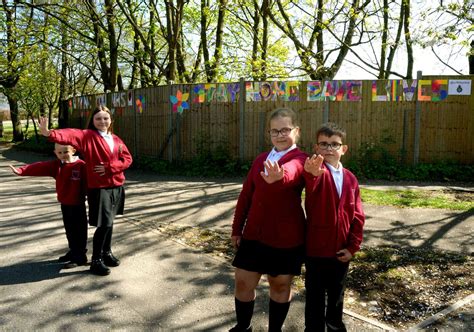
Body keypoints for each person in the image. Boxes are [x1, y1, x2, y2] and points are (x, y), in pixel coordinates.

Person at [230, 108, 307, 332]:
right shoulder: (261, 159)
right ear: (269, 134)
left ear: (296, 131)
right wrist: (237, 229)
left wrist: (280, 175)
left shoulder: (301, 159)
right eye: (275, 131)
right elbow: (245, 196)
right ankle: (243, 327)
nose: (280, 135)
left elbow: (294, 171)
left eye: (285, 129)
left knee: (280, 285)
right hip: (254, 234)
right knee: (243, 280)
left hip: (286, 238)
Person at [39, 105, 133, 276]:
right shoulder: (87, 136)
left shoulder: (116, 139)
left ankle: (106, 253)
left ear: (110, 120)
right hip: (99, 188)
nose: (102, 121)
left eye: (105, 118)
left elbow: (127, 159)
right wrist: (49, 133)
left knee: (110, 222)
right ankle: (96, 261)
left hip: (117, 186)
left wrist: (110, 167)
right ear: (93, 121)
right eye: (98, 118)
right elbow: (70, 134)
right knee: (104, 224)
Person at [303, 122, 365, 332]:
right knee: (314, 297)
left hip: (341, 252)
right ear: (316, 148)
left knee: (337, 296)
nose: (329, 149)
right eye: (324, 144)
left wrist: (352, 247)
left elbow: (358, 216)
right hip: (316, 251)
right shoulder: (316, 172)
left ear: (343, 149)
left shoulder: (351, 179)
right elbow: (312, 185)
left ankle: (335, 326)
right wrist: (312, 174)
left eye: (334, 144)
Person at [9, 143, 88, 268]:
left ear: (73, 150)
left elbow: (89, 183)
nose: (63, 155)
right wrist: (22, 170)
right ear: (55, 153)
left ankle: (80, 257)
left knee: (79, 230)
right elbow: (40, 167)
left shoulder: (81, 165)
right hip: (65, 204)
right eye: (59, 153)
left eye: (65, 152)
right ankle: (73, 251)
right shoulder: (57, 165)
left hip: (78, 205)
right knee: (70, 230)